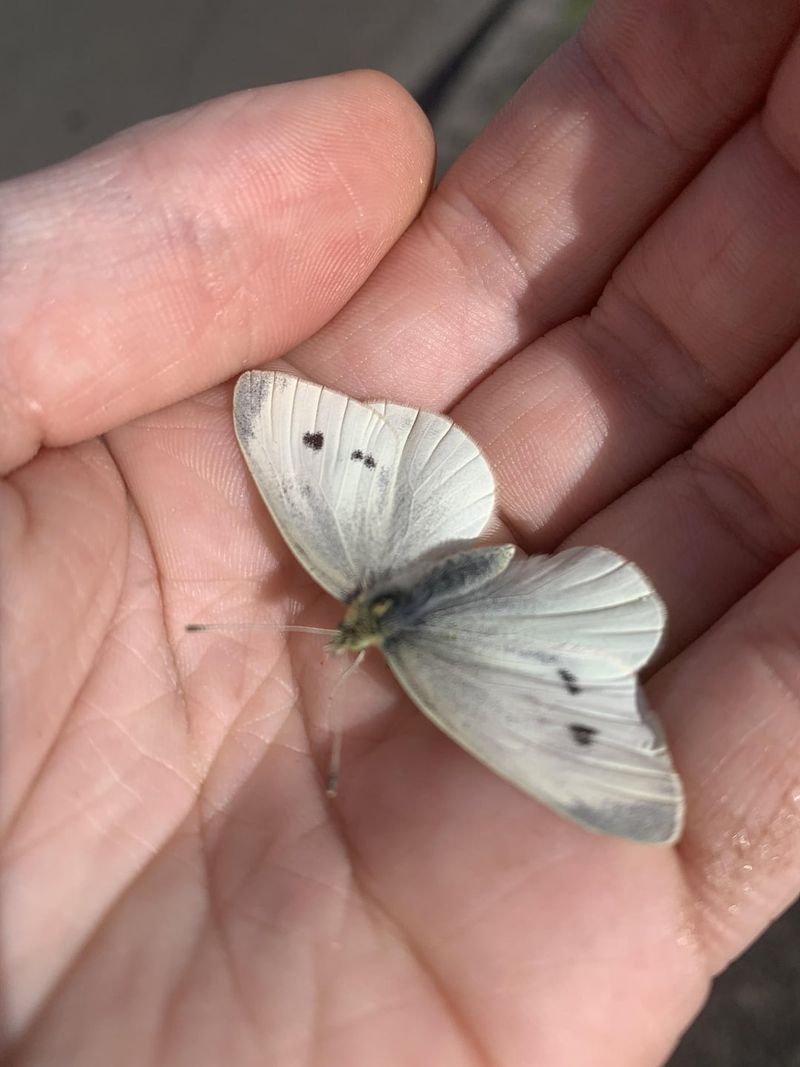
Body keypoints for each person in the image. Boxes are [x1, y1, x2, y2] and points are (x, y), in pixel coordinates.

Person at [3, 4, 800, 1063]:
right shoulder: (353, 597)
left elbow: (276, 420)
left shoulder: (342, 582)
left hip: (426, 543)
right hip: (436, 547)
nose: (338, 637)